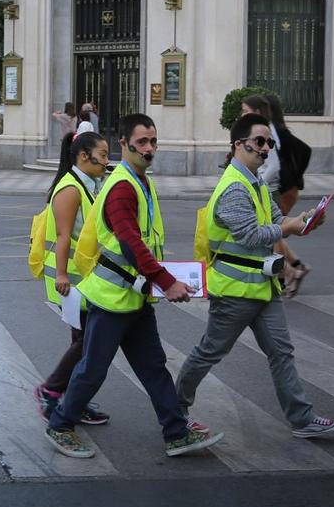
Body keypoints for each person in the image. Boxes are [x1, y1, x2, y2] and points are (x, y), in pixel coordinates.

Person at [45, 113, 223, 460]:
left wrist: (158, 282)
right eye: (142, 141)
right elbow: (130, 241)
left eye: (153, 141)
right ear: (123, 144)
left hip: (135, 296)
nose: (149, 148)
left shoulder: (141, 180)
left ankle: (175, 431)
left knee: (153, 365)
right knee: (93, 369)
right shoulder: (123, 185)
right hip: (112, 299)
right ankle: (60, 423)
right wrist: (166, 282)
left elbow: (144, 240)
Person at [174, 113, 334, 440]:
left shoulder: (257, 183)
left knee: (281, 352)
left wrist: (305, 221)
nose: (265, 148)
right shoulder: (233, 187)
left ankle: (302, 418)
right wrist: (289, 226)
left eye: (269, 142)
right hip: (235, 292)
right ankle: (175, 409)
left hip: (264, 288)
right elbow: (252, 235)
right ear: (239, 145)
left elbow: (277, 223)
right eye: (259, 142)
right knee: (209, 352)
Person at [32, 131, 110, 425]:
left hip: (85, 277)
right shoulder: (70, 188)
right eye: (102, 155)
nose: (106, 161)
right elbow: (64, 236)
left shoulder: (89, 184)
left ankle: (76, 398)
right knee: (86, 342)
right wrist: (62, 274)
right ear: (83, 156)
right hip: (72, 280)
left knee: (84, 342)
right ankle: (50, 390)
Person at [241, 93, 314, 296]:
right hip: (274, 188)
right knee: (275, 231)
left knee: (274, 232)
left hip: (275, 190)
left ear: (257, 111)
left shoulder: (266, 130)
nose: (242, 114)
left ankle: (284, 275)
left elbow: (273, 164)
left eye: (245, 110)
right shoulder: (266, 128)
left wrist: (258, 182)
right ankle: (294, 268)